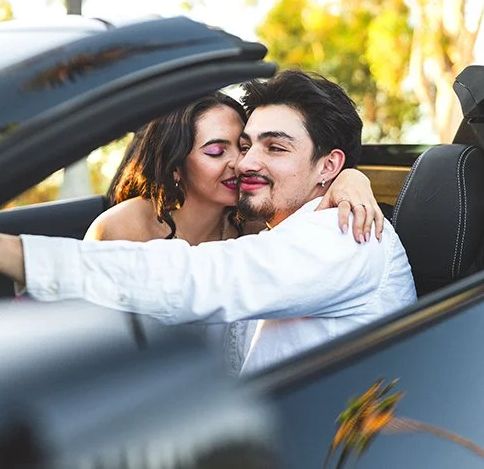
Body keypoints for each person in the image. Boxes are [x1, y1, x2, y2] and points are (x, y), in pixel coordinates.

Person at [0, 70, 418, 375]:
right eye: (245, 145)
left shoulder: (346, 235)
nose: (245, 162)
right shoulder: (280, 231)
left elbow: (198, 279)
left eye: (275, 147)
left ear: (327, 165)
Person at [81, 91, 384, 371]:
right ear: (176, 166)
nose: (241, 164)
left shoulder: (254, 223)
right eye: (215, 151)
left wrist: (349, 178)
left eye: (240, 147)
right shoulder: (122, 226)